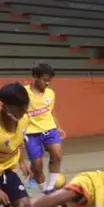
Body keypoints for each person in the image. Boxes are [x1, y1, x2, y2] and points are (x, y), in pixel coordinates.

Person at [0, 83, 42, 207]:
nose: (24, 111)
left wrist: (22, 161)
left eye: (26, 106)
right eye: (19, 107)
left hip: (6, 171)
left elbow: (19, 140)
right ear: (4, 106)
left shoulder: (23, 119)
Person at [24, 63, 66, 194]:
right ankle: (45, 190)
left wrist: (58, 127)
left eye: (49, 80)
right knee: (37, 166)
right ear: (35, 77)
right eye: (45, 80)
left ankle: (51, 186)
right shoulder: (23, 93)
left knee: (58, 155)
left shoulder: (50, 93)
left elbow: (51, 111)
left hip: (49, 129)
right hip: (31, 134)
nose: (47, 83)